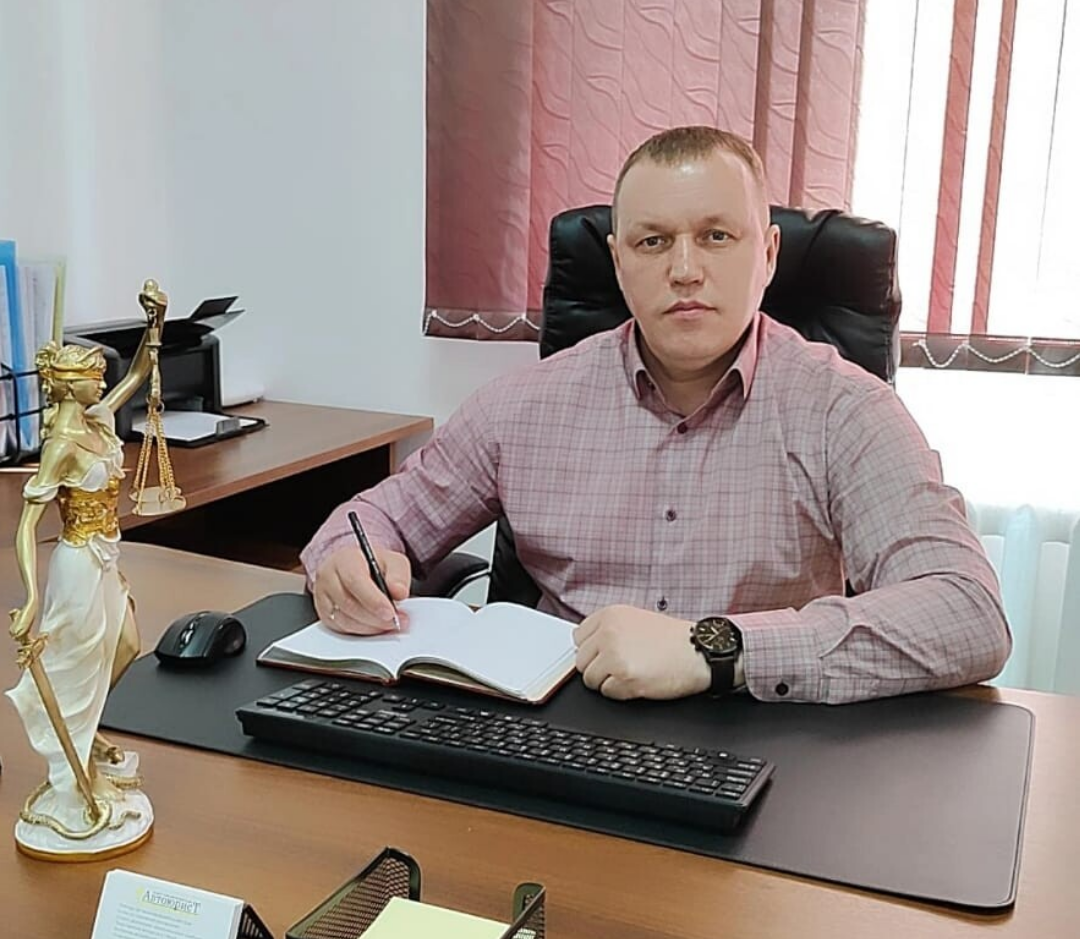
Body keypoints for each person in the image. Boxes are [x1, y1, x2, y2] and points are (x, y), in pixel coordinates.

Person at [302, 127, 1010, 705]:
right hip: (556, 730)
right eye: (653, 241)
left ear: (767, 255)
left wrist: (714, 650)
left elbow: (967, 612)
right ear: (618, 263)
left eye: (716, 236)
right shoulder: (522, 406)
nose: (685, 269)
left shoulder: (845, 412)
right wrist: (347, 563)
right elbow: (374, 521)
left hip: (760, 734)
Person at [6, 282, 167, 839]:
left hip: (106, 553)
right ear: (67, 384)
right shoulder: (60, 447)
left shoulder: (98, 420)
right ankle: (74, 774)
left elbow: (139, 373)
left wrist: (155, 322)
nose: (102, 379)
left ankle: (87, 731)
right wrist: (30, 598)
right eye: (92, 375)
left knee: (126, 646)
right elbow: (28, 524)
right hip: (77, 561)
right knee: (75, 665)